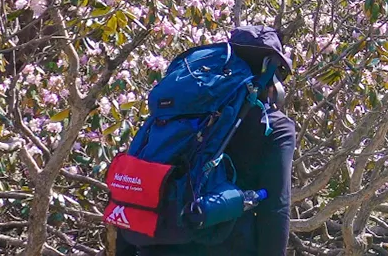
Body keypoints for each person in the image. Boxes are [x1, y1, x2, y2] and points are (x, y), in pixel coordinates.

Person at [115, 25, 296, 256]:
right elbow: (276, 208)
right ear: (270, 70)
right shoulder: (275, 126)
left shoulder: (177, 112)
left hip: (156, 243)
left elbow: (137, 176)